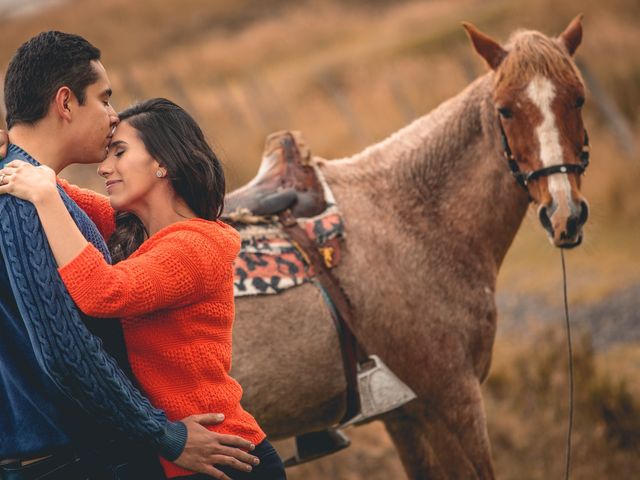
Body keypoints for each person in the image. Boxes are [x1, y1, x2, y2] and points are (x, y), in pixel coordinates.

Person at [0, 31, 259, 480]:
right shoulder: (24, 199)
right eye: (103, 99)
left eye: (123, 151)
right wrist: (163, 435)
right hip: (72, 460)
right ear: (65, 103)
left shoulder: (38, 193)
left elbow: (95, 275)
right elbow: (65, 350)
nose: (111, 114)